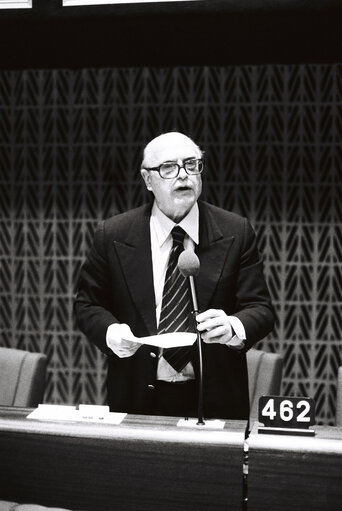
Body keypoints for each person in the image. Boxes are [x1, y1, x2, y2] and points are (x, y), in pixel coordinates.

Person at [74, 132, 274, 420]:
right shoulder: (113, 234)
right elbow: (87, 304)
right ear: (147, 180)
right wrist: (112, 333)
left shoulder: (236, 231)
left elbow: (261, 309)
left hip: (215, 401)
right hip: (137, 400)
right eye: (168, 168)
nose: (183, 176)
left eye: (191, 164)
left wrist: (232, 326)